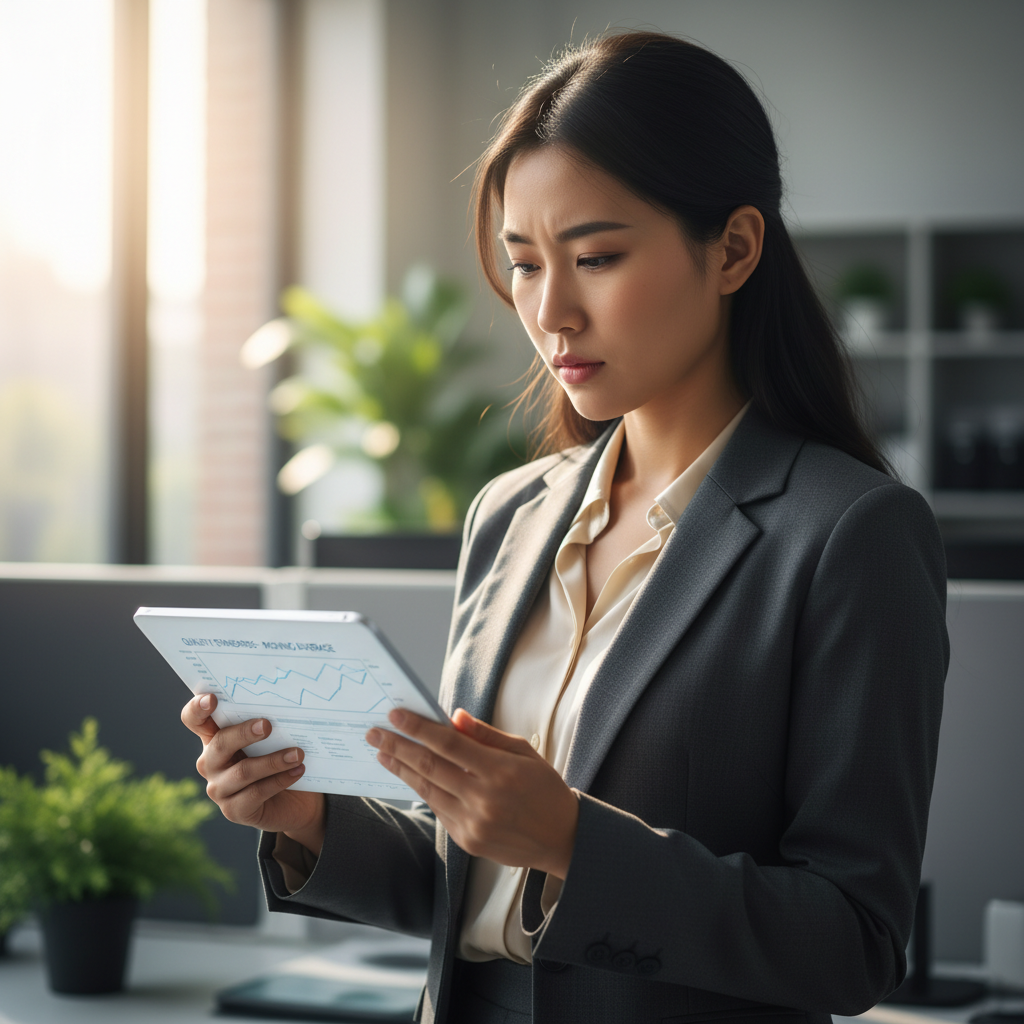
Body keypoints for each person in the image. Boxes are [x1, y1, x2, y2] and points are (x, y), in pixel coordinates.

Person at [180, 30, 948, 1024]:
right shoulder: (512, 514)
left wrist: (575, 841)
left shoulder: (848, 535)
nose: (552, 313)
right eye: (523, 264)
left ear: (735, 248)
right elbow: (476, 879)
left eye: (595, 257)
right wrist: (308, 818)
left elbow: (852, 941)